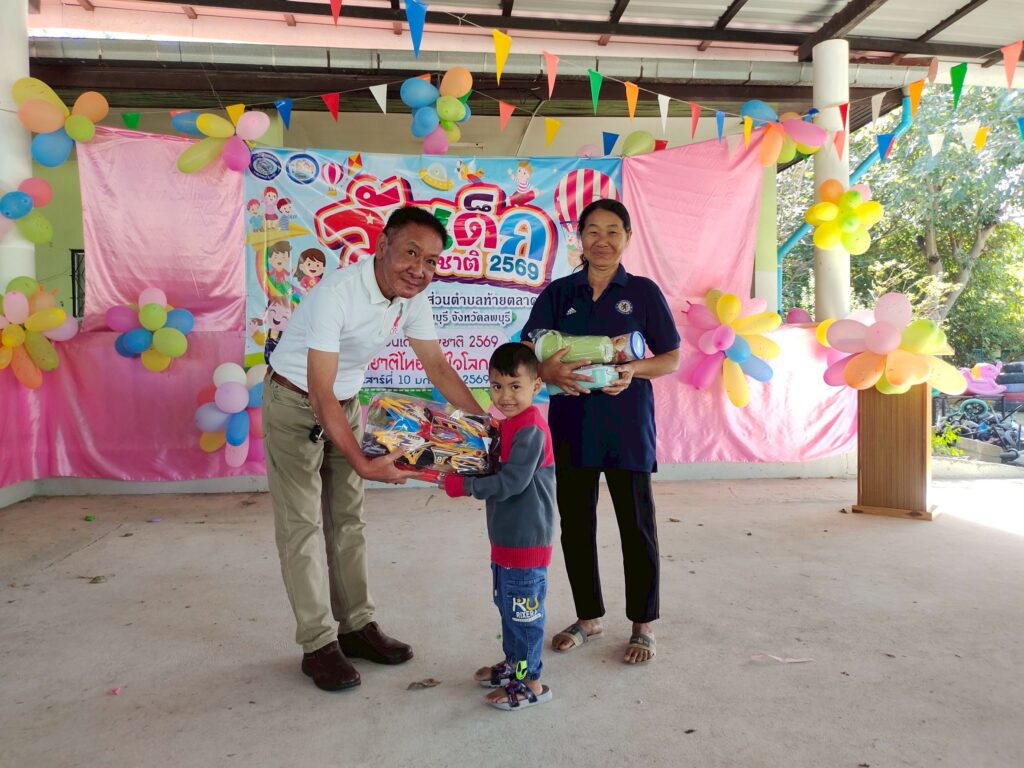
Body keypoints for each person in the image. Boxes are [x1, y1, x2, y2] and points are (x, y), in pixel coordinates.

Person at [264, 206, 483, 692]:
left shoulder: (411, 298)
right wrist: (363, 462)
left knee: (349, 520)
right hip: (295, 401)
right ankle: (318, 645)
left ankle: (356, 627)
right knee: (302, 526)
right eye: (411, 253)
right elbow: (318, 391)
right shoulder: (337, 293)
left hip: (345, 403)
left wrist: (487, 429)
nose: (419, 269)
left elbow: (438, 367)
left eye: (431, 261)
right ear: (383, 246)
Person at [521, 199, 680, 665]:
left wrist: (633, 370)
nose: (602, 240)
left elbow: (671, 357)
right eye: (593, 230)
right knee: (576, 525)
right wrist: (546, 371)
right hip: (572, 426)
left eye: (613, 231)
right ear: (580, 238)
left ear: (627, 237)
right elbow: (529, 350)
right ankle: (588, 617)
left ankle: (643, 624)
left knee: (637, 525)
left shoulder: (643, 293)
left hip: (627, 426)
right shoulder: (559, 293)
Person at [442, 342, 555, 710]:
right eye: (496, 386)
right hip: (506, 540)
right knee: (508, 608)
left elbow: (511, 483)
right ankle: (514, 665)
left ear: (536, 386)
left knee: (524, 616)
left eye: (515, 386)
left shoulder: (530, 429)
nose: (505, 396)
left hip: (526, 542)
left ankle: (530, 681)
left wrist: (464, 486)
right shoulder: (507, 426)